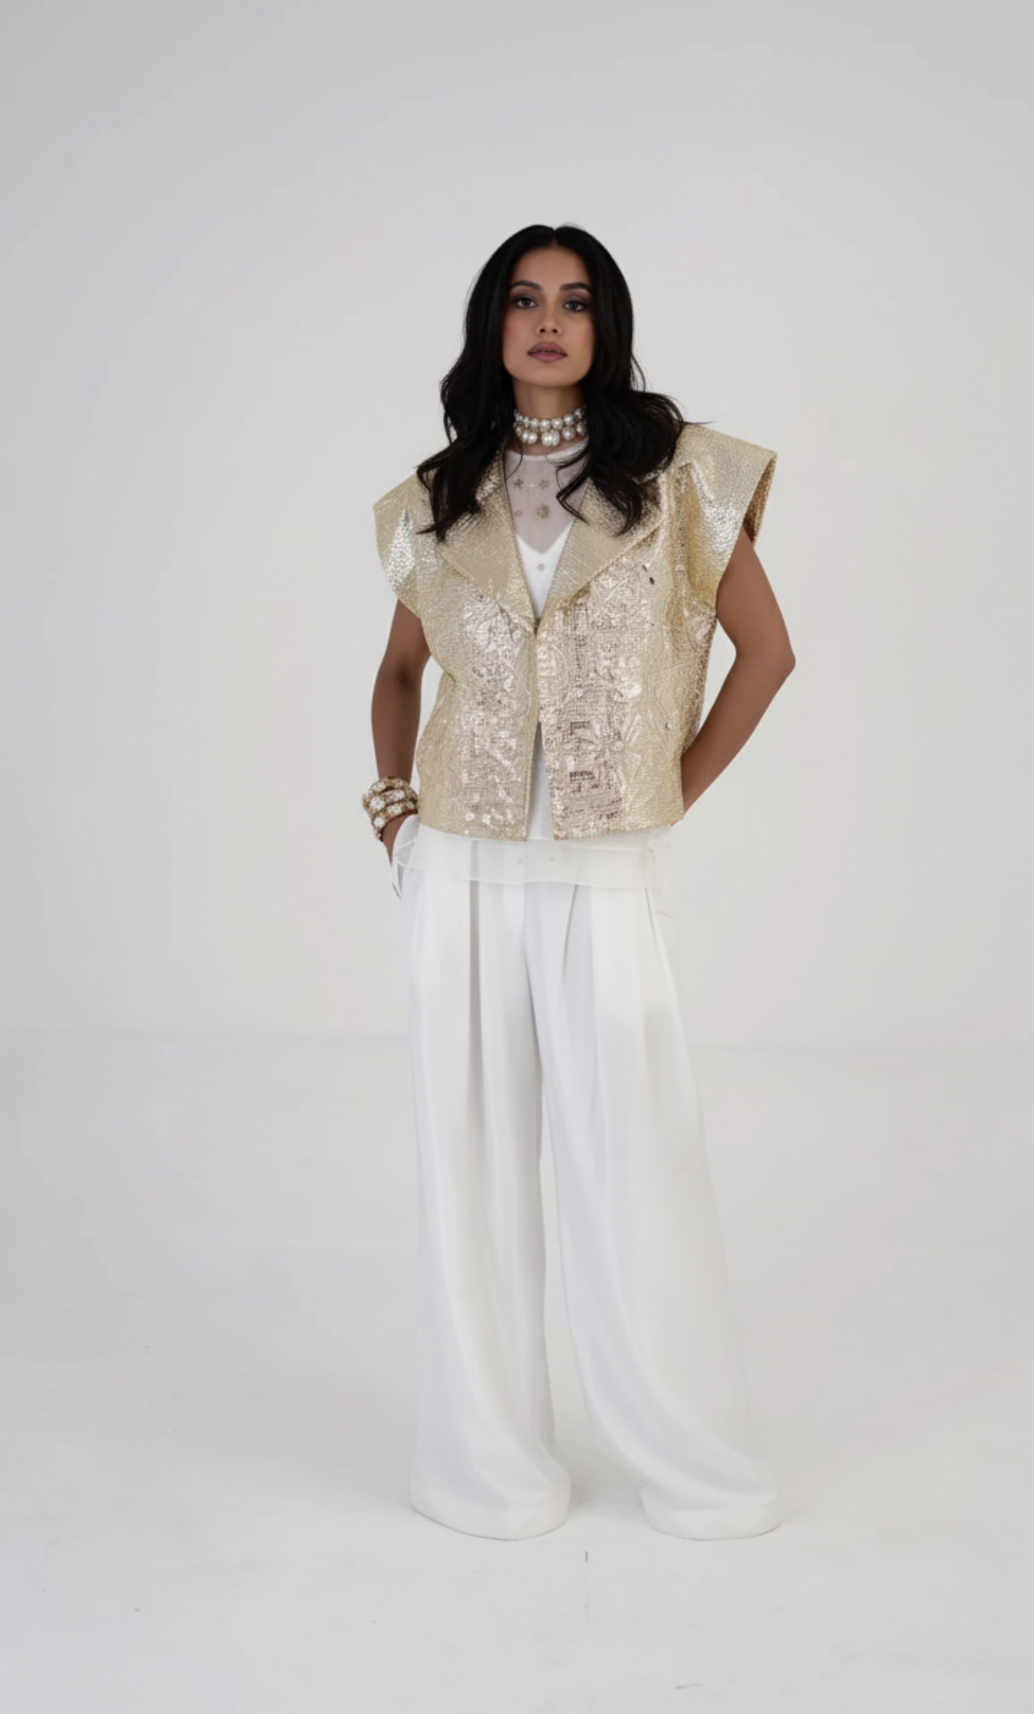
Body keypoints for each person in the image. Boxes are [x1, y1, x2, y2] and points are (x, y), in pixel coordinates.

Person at [367, 223, 795, 1541]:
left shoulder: (680, 475)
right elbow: (398, 675)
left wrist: (668, 791)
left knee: (634, 1165)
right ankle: (488, 1468)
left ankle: (692, 1459)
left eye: (574, 300)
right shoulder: (436, 497)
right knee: (472, 1170)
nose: (548, 321)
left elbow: (769, 655)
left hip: (606, 869)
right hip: (463, 866)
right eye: (523, 299)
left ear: (605, 325)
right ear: (492, 327)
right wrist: (396, 817)